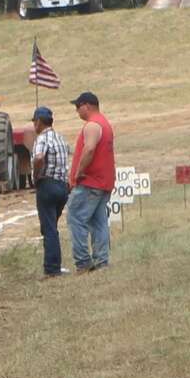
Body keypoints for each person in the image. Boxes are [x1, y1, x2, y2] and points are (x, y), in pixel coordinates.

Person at [66, 91, 115, 273]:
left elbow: (89, 149)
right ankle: (102, 261)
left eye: (78, 107)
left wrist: (79, 172)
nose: (77, 111)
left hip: (90, 182)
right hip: (104, 182)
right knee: (98, 221)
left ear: (86, 105)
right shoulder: (105, 123)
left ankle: (83, 262)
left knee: (75, 218)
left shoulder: (92, 125)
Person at [31, 106, 71, 278]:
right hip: (63, 186)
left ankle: (52, 267)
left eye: (34, 122)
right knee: (52, 226)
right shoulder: (60, 138)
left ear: (39, 122)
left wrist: (36, 173)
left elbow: (39, 157)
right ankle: (55, 264)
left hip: (47, 184)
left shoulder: (42, 138)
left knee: (49, 229)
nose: (34, 125)